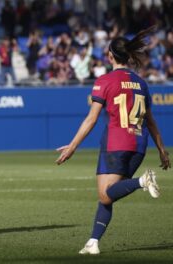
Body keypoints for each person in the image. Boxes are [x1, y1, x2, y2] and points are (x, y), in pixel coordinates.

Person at [56, 26, 171, 255]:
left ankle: (142, 182)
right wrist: (162, 150)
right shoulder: (141, 83)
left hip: (116, 143)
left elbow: (91, 118)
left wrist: (73, 146)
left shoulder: (105, 80)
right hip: (139, 146)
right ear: (127, 56)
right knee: (109, 195)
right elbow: (151, 121)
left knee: (104, 193)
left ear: (110, 56)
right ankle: (93, 242)